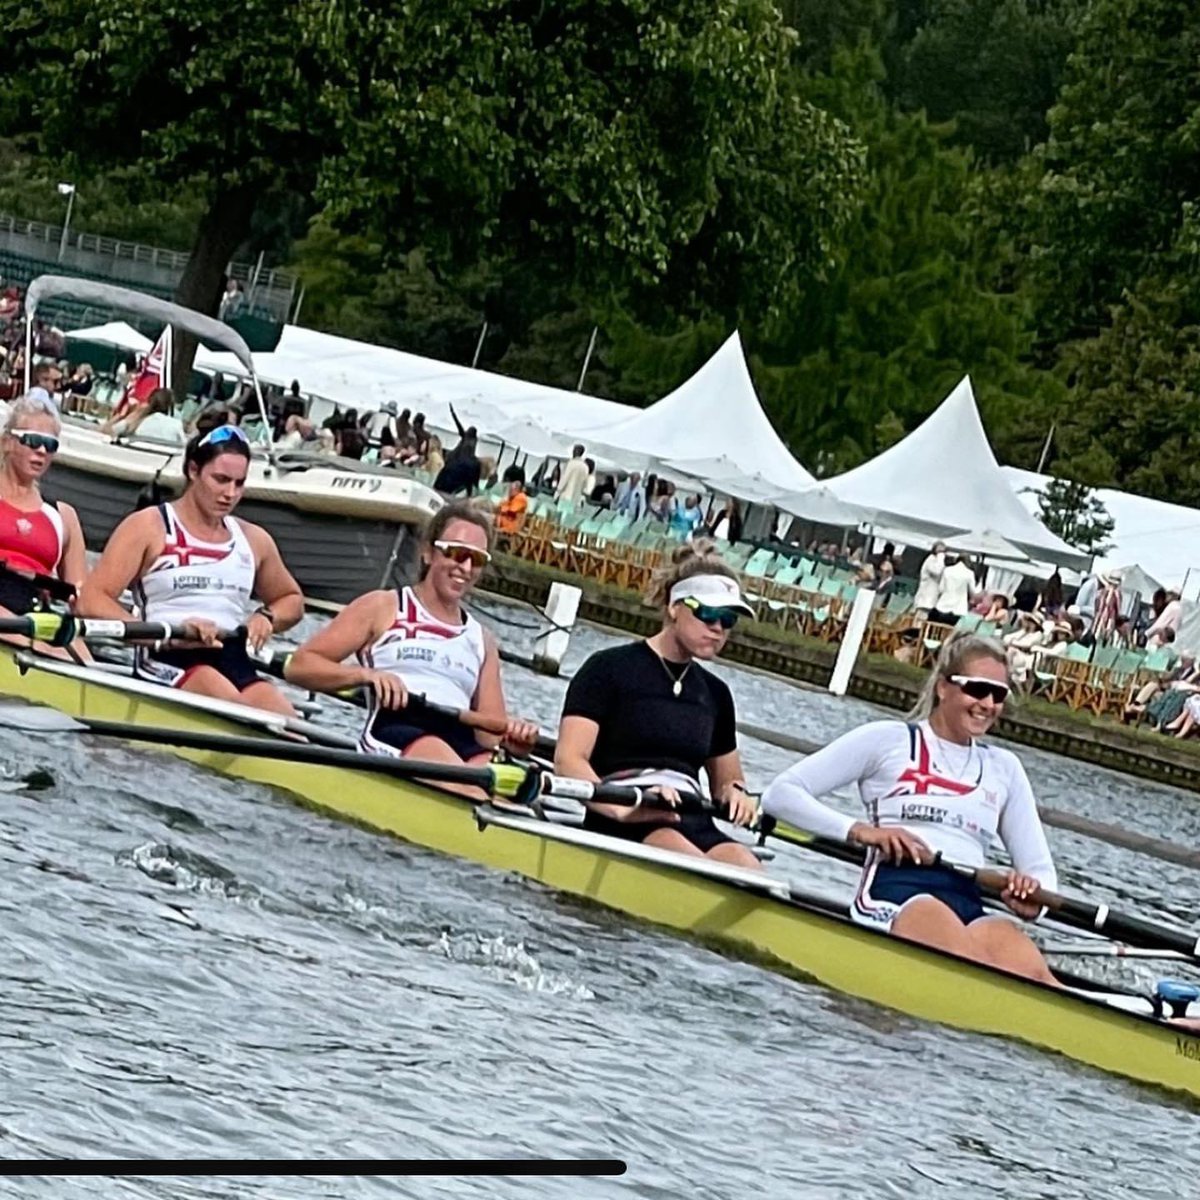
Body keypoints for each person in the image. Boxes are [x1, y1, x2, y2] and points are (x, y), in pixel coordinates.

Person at [762, 634, 1059, 984]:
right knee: (943, 930)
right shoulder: (888, 740)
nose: (988, 704)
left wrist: (1032, 900)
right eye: (977, 689)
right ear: (944, 687)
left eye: (998, 695)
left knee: (1021, 954)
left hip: (968, 901)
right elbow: (780, 794)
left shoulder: (1005, 768)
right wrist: (860, 831)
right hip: (896, 891)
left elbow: (1042, 873)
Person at [284, 501, 537, 793]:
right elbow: (300, 666)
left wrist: (515, 743)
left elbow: (490, 734)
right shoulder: (382, 607)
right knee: (471, 789)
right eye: (456, 553)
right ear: (428, 552)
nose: (465, 568)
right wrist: (366, 676)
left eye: (477, 560)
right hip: (400, 727)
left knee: (513, 795)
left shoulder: (483, 640)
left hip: (462, 740)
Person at [554, 542, 760, 867]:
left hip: (691, 816)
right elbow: (568, 761)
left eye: (728, 619)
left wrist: (737, 793)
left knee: (747, 865)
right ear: (674, 606)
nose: (718, 628)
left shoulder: (716, 694)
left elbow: (727, 781)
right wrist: (621, 808)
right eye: (708, 613)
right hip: (623, 810)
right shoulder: (607, 668)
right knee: (686, 856)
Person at [77, 425, 304, 714]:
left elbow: (292, 600)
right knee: (231, 706)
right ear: (193, 470)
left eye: (239, 483)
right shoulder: (148, 527)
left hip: (231, 656)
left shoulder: (254, 540)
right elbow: (92, 600)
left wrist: (267, 617)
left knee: (287, 721)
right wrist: (163, 635)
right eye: (220, 480)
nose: (230, 494)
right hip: (167, 654)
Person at [0, 394, 88, 620]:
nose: (41, 450)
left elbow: (81, 595)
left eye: (50, 445)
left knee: (84, 656)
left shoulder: (63, 516)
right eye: (32, 440)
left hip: (34, 615)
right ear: (7, 442)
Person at [930, 553, 977, 624]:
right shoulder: (970, 573)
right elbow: (973, 593)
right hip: (958, 609)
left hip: (942, 606)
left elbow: (941, 589)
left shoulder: (947, 570)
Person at [914, 542, 946, 616]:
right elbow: (937, 571)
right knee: (919, 622)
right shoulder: (930, 560)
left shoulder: (936, 561)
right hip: (925, 599)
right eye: (940, 551)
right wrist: (940, 556)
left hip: (930, 599)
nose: (942, 553)